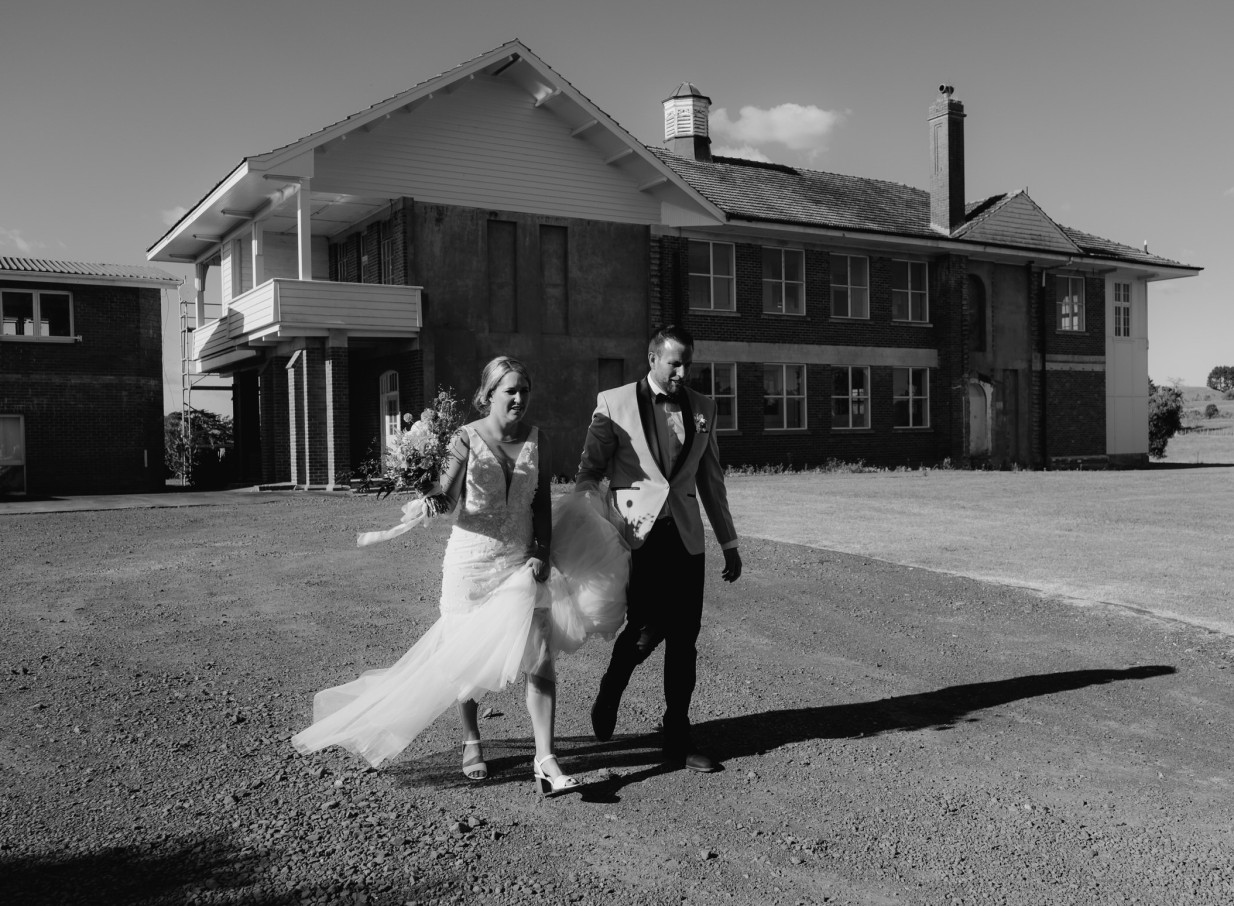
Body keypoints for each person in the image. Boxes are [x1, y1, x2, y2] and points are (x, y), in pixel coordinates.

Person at [293, 356, 622, 797]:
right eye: (511, 390)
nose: (519, 398)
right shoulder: (464, 438)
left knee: (541, 653)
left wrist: (542, 551)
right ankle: (471, 738)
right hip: (471, 565)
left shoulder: (538, 439)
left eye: (525, 390)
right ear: (489, 394)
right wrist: (424, 488)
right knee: (466, 655)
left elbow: (540, 502)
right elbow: (447, 500)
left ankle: (545, 759)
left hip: (521, 561)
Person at [575, 325, 742, 773]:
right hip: (636, 536)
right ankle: (613, 685)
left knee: (685, 639)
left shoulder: (704, 407)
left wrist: (728, 541)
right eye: (675, 364)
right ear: (652, 358)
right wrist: (583, 527)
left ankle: (678, 739)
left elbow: (711, 479)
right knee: (645, 629)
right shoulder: (614, 403)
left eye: (688, 364)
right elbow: (590, 471)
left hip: (686, 538)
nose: (683, 373)